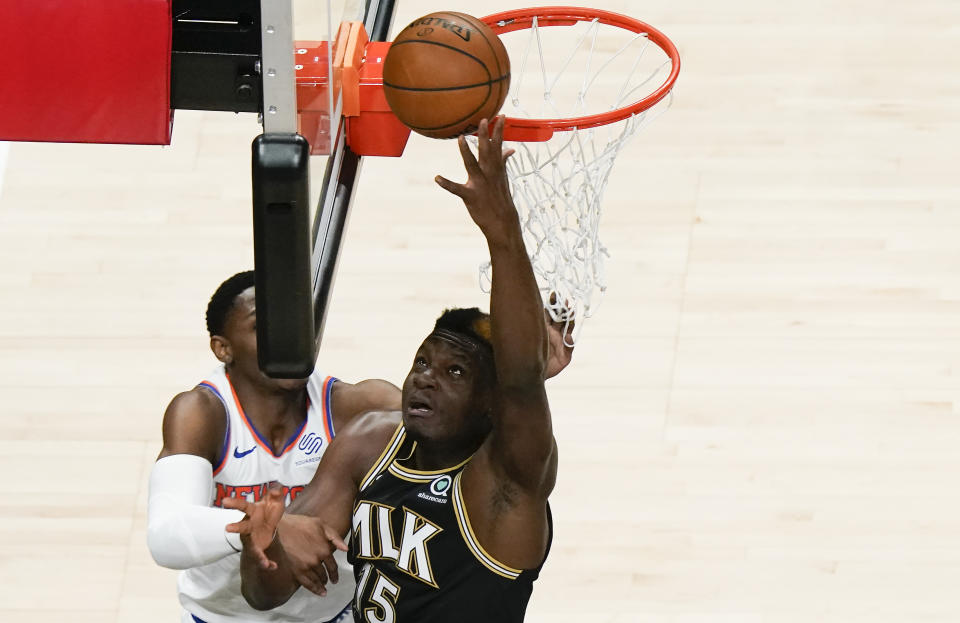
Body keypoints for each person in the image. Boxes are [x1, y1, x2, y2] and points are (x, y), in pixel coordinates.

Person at [224, 116, 572, 622]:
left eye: (456, 373)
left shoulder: (508, 480)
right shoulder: (371, 441)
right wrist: (266, 543)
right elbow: (265, 591)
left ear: (492, 403)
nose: (426, 377)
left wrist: (502, 232)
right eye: (423, 362)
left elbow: (519, 380)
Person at [146, 269, 402, 623]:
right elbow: (165, 535)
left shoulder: (356, 405)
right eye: (262, 327)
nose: (286, 337)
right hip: (221, 618)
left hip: (332, 614)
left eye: (293, 323)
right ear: (223, 348)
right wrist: (267, 529)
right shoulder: (202, 412)